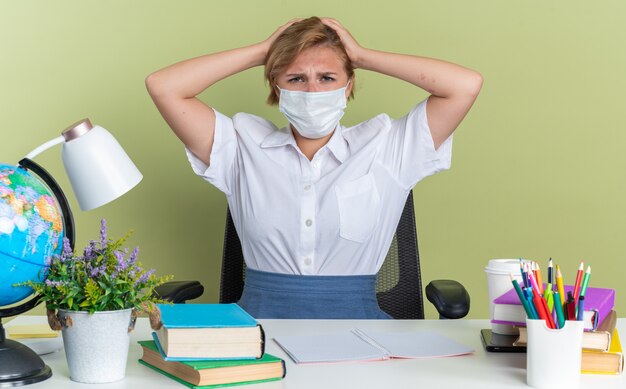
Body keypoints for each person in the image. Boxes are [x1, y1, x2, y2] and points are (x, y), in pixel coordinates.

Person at [146, 17, 482, 319]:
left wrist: (362, 57)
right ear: (276, 88)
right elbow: (164, 87)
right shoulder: (241, 145)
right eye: (295, 78)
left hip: (362, 334)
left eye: (327, 77)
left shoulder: (386, 147)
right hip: (257, 332)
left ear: (348, 85)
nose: (312, 90)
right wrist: (263, 51)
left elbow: (464, 86)